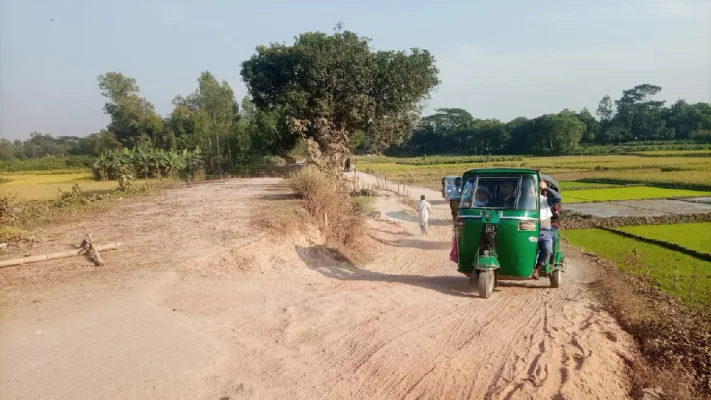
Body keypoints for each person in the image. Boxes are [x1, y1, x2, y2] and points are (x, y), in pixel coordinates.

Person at [533, 180, 563, 279]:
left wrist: (546, 188)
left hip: (543, 230)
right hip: (526, 229)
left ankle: (537, 269)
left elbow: (558, 198)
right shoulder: (524, 201)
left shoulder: (545, 200)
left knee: (548, 247)